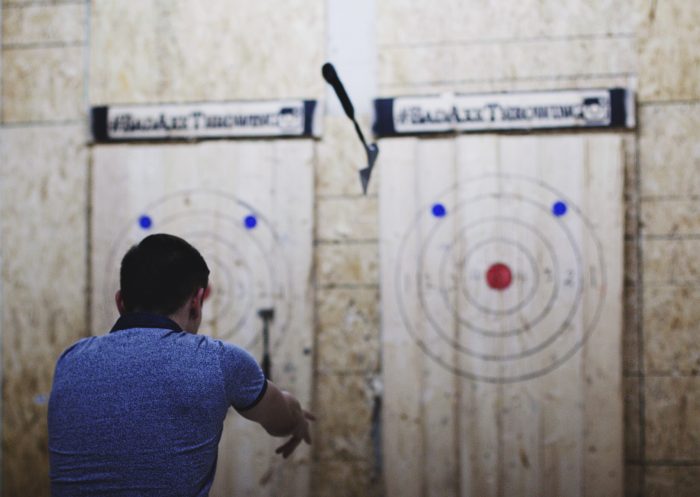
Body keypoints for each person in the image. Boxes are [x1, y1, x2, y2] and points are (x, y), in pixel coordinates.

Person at [48, 233, 314, 496]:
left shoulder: (70, 361)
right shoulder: (219, 361)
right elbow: (281, 419)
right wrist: (297, 417)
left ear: (120, 302)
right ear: (196, 303)